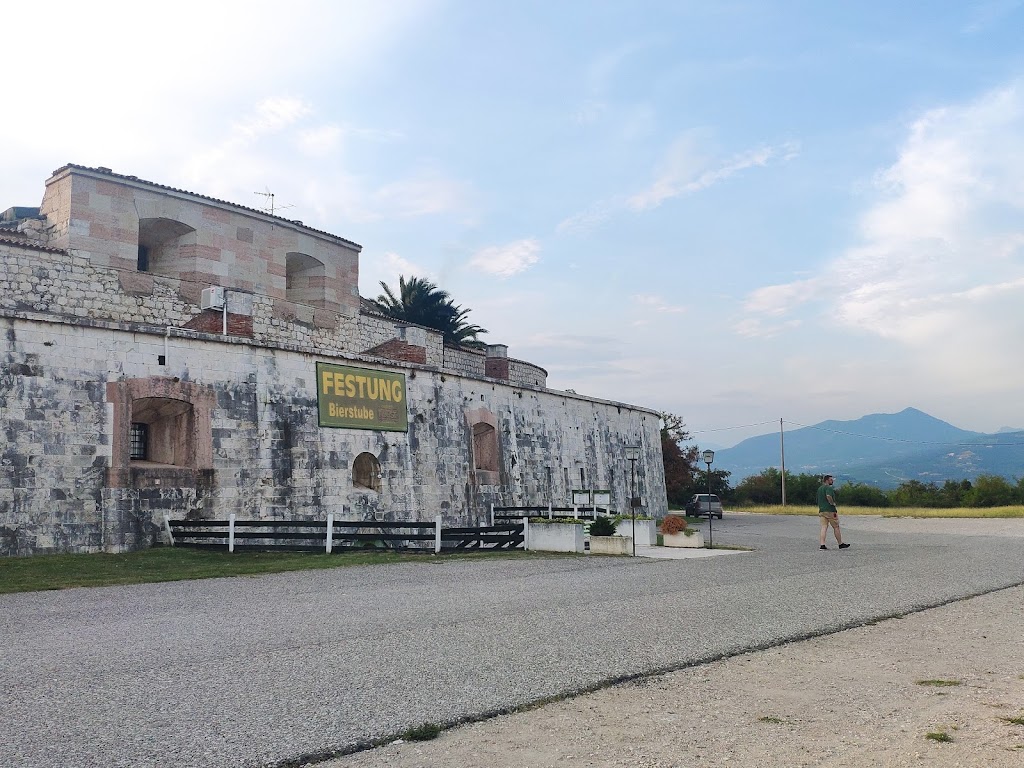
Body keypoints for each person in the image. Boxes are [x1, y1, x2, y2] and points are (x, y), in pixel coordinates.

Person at [817, 474, 849, 550]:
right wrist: (832, 503)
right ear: (827, 480)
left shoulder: (820, 489)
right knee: (836, 527)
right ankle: (840, 543)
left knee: (824, 527)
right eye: (831, 480)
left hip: (822, 510)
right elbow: (828, 496)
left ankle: (822, 544)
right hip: (830, 510)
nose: (832, 481)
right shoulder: (829, 488)